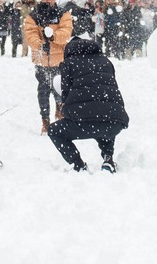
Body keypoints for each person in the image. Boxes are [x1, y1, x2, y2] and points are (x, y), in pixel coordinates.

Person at [49, 22, 128, 171]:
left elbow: (65, 96)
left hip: (84, 123)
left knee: (54, 131)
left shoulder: (69, 63)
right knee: (105, 118)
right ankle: (108, 159)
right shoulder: (106, 62)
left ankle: (77, 164)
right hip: (114, 122)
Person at [23, 0, 73, 134]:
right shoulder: (33, 16)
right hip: (41, 60)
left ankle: (60, 112)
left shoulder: (63, 14)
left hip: (60, 60)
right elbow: (30, 34)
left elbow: (66, 32)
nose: (48, 0)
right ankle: (45, 120)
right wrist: (40, 44)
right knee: (43, 91)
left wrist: (53, 37)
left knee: (60, 90)